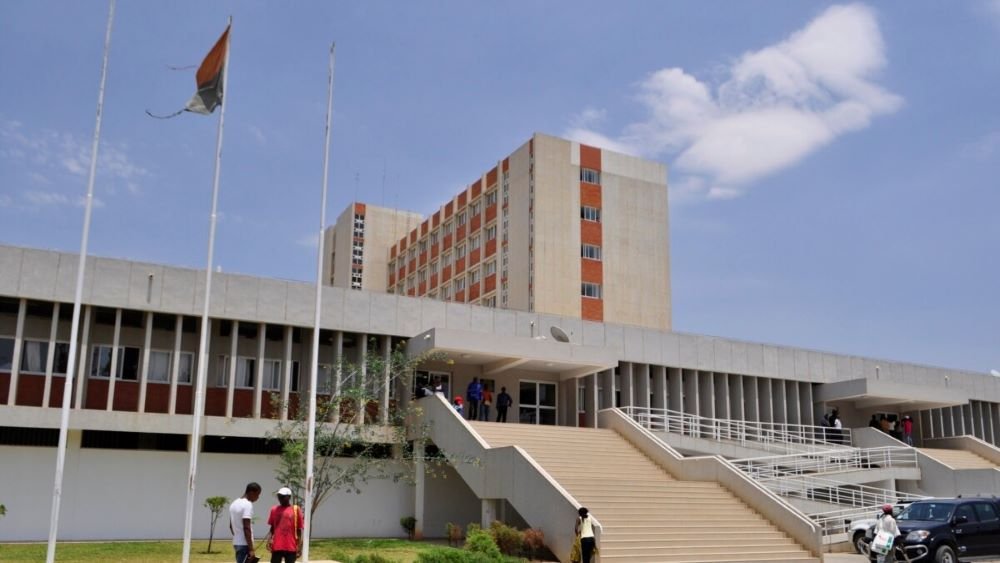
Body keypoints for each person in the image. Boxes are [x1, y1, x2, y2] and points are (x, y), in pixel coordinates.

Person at [267, 487, 303, 563]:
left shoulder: (296, 510)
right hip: (277, 545)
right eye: (279, 496)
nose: (280, 498)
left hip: (291, 546)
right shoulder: (274, 509)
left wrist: (299, 546)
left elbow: (299, 530)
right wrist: (269, 539)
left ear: (289, 497)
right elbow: (272, 527)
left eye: (283, 497)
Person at [230, 482, 261, 563]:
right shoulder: (247, 504)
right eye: (257, 494)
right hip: (244, 545)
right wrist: (251, 549)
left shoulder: (234, 503)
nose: (258, 497)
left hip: (237, 543)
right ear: (251, 492)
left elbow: (230, 525)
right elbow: (246, 527)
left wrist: (237, 536)